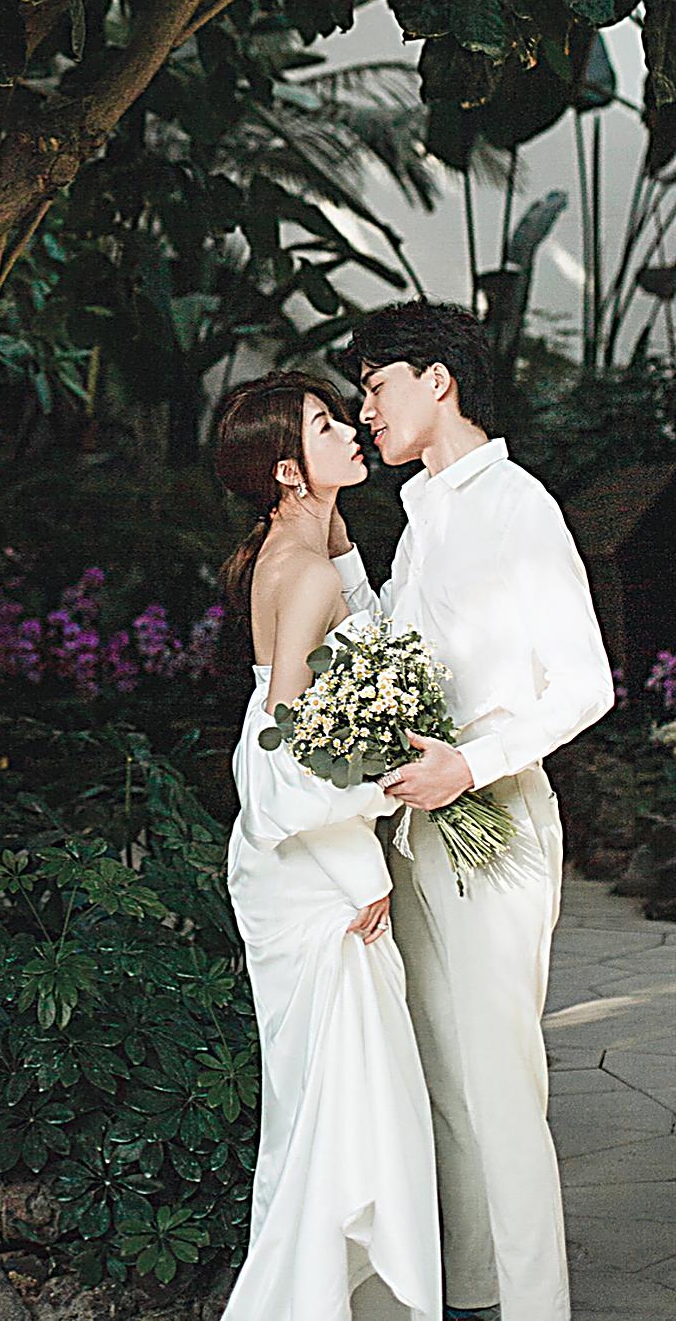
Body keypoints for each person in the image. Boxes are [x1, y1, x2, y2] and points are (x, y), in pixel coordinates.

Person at [332, 300, 614, 1321]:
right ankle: (472, 1294)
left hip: (494, 826)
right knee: (445, 1081)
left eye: (376, 386)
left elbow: (585, 685)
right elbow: (400, 660)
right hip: (420, 831)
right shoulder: (424, 512)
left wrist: (473, 763)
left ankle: (538, 1307)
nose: (365, 411)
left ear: (436, 380)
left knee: (501, 1088)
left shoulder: (514, 506)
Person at [215, 372, 442, 1321]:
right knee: (336, 1107)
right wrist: (361, 868)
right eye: (322, 425)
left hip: (304, 854)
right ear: (285, 469)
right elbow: (276, 753)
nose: (349, 429)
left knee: (329, 1104)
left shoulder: (305, 554)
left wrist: (337, 530)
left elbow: (354, 644)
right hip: (312, 870)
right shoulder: (299, 571)